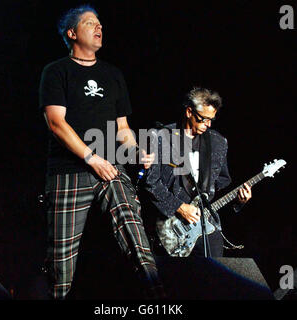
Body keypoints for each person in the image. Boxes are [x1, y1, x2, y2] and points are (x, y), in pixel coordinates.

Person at [38, 4, 162, 299]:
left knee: (134, 233)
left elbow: (123, 129)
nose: (99, 28)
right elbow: (56, 123)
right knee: (61, 267)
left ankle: (157, 296)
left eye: (100, 24)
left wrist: (135, 150)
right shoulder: (56, 72)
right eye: (90, 23)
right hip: (70, 172)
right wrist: (91, 158)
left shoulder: (113, 74)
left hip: (111, 169)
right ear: (72, 33)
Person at [141, 87, 252, 258]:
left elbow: (220, 184)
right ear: (188, 112)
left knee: (214, 275)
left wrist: (238, 201)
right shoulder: (162, 136)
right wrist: (179, 207)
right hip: (170, 225)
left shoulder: (218, 142)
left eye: (211, 120)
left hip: (205, 224)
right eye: (203, 119)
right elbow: (151, 183)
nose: (207, 125)